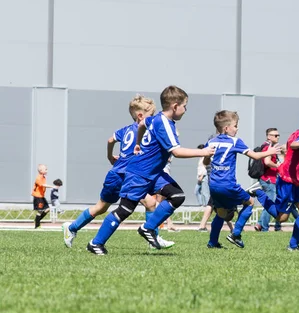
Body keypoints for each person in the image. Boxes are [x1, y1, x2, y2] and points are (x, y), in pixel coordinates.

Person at [86, 85, 215, 255]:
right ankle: (96, 243)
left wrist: (138, 143)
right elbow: (176, 151)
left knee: (177, 196)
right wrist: (203, 152)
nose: (185, 110)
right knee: (125, 209)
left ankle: (148, 228)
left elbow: (141, 124)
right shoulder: (164, 123)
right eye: (185, 106)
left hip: (153, 173)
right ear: (175, 106)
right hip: (139, 173)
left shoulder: (155, 119)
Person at [61, 94, 165, 248]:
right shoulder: (144, 131)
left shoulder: (125, 130)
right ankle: (153, 238)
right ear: (141, 115)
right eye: (151, 115)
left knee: (102, 207)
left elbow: (110, 140)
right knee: (149, 203)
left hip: (116, 173)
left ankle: (72, 228)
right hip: (128, 175)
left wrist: (110, 156)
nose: (153, 118)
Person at [251, 110, 299, 251]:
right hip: (286, 181)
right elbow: (292, 145)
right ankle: (260, 194)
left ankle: (293, 245)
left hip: (296, 183)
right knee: (282, 218)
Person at [204, 110, 280, 249]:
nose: (237, 128)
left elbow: (205, 162)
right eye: (235, 125)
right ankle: (236, 234)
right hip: (228, 184)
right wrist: (271, 151)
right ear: (227, 128)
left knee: (221, 212)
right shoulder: (235, 141)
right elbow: (255, 156)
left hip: (213, 185)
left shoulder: (211, 141)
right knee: (250, 202)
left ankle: (212, 242)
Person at [255, 128, 283, 232]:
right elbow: (267, 162)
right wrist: (277, 166)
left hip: (268, 179)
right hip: (268, 179)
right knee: (270, 203)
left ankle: (259, 224)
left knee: (269, 202)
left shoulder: (267, 146)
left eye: (278, 135)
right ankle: (264, 227)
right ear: (268, 136)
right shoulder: (268, 147)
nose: (278, 137)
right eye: (275, 135)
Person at [32, 164, 56, 228]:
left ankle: (37, 220)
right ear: (41, 170)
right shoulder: (38, 178)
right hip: (38, 197)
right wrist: (52, 186)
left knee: (47, 209)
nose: (47, 170)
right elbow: (43, 185)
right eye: (45, 169)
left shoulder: (43, 177)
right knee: (40, 210)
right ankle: (37, 225)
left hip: (42, 196)